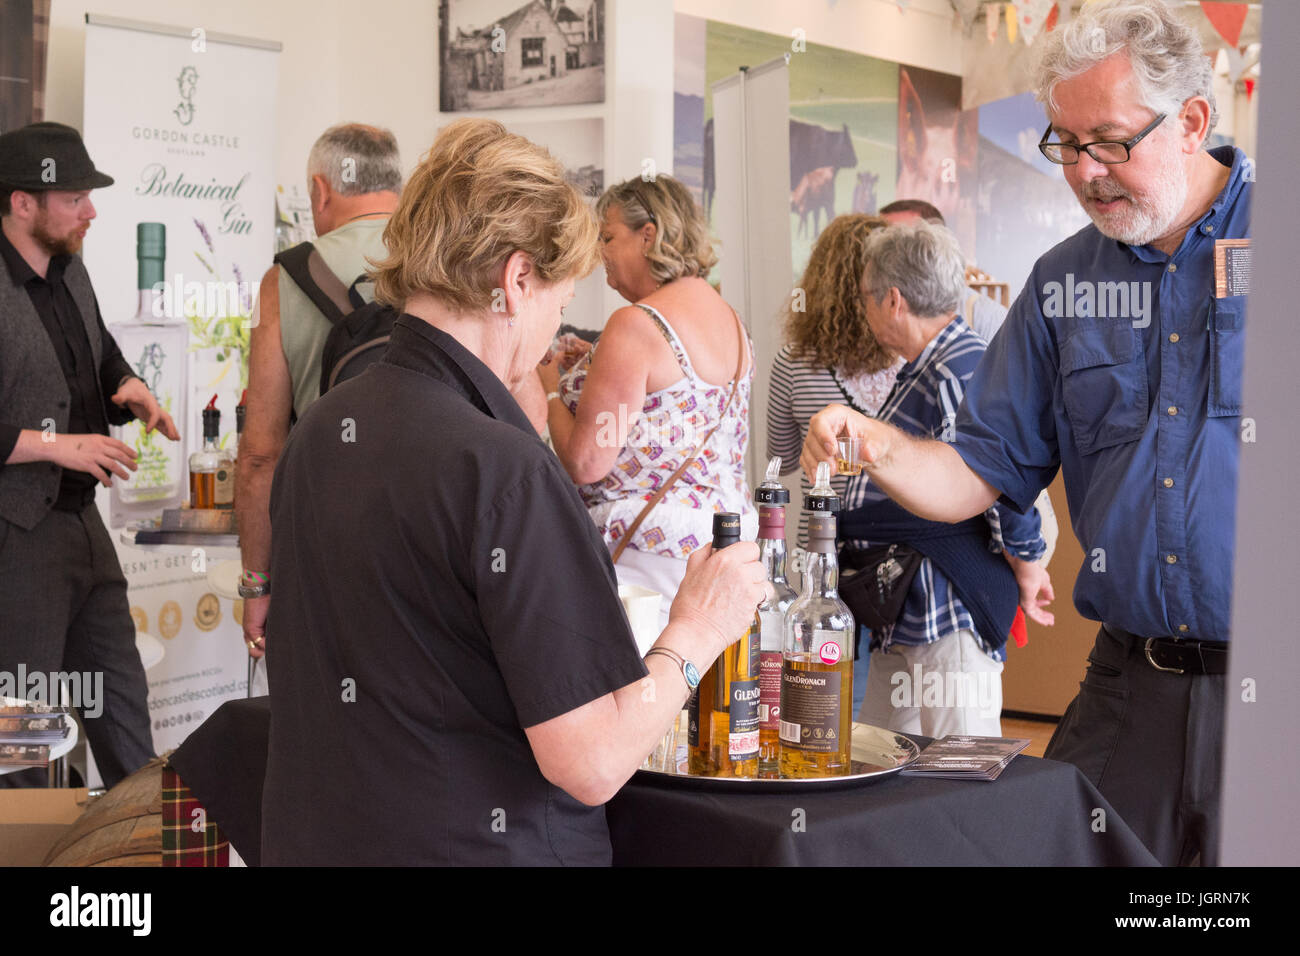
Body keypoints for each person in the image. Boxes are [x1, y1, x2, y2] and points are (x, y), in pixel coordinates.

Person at [803, 0, 1246, 865]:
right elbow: (976, 470)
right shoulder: (1062, 283)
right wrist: (872, 442)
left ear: (1192, 122)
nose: (1084, 173)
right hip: (1131, 688)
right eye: (1064, 144)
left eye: (1108, 142)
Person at [260, 119, 767, 865]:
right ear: (517, 279)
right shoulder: (505, 470)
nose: (557, 325)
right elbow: (591, 760)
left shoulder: (321, 431)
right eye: (560, 299)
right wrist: (695, 632)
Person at [0, 122, 178, 788]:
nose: (91, 211)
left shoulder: (71, 270)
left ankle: (147, 839)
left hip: (84, 526)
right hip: (17, 536)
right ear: (23, 203)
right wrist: (59, 446)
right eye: (75, 198)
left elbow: (101, 355)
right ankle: (26, 844)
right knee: (23, 737)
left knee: (124, 709)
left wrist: (127, 386)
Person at [842, 221, 1051, 736]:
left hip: (946, 602)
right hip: (910, 605)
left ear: (893, 300)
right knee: (885, 758)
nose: (864, 310)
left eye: (866, 297)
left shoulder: (960, 366)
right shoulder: (932, 364)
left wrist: (1027, 565)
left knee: (961, 763)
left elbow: (1002, 480)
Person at [538, 175, 756, 631]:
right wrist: (596, 363)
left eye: (608, 237)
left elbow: (586, 462)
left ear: (648, 235)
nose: (601, 252)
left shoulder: (635, 323)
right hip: (723, 549)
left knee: (641, 676)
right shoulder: (731, 321)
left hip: (646, 559)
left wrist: (551, 388)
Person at [236, 123, 401, 659]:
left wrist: (256, 584)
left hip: (326, 545)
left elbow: (261, 454)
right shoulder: (445, 259)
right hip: (440, 535)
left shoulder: (283, 280)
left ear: (320, 190)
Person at [766, 213, 901, 548]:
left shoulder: (792, 363)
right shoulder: (913, 357)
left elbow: (781, 459)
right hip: (902, 546)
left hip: (823, 539)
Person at [879, 197, 1010, 345]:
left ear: (934, 248)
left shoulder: (987, 319)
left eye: (894, 243)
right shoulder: (873, 314)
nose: (880, 254)